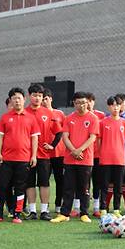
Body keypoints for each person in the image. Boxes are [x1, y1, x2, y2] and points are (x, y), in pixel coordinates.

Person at [0, 87, 39, 224]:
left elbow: (34, 138)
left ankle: (17, 214)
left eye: (19, 98)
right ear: (10, 100)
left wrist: (33, 156)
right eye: (14, 98)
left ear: (24, 99)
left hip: (23, 159)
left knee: (20, 187)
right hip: (6, 159)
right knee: (1, 186)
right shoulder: (5, 118)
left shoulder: (31, 118)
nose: (17, 101)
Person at [51, 92, 99, 223]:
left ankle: (84, 213)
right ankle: (64, 213)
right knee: (68, 187)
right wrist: (73, 151)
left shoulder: (93, 118)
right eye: (78, 103)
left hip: (86, 158)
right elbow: (65, 136)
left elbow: (92, 137)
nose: (81, 105)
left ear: (88, 103)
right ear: (74, 104)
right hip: (70, 158)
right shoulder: (69, 118)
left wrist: (79, 150)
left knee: (84, 188)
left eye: (84, 103)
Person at [24, 83, 62, 221]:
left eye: (40, 96)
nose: (37, 98)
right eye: (34, 95)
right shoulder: (24, 112)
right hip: (27, 155)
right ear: (29, 96)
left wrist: (52, 146)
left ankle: (45, 210)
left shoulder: (48, 113)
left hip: (44, 155)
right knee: (29, 183)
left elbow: (59, 132)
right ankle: (33, 211)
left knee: (44, 182)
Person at [97, 96, 125, 216]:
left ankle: (116, 209)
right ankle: (103, 209)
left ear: (121, 106)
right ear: (109, 106)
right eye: (113, 105)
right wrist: (102, 153)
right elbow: (99, 141)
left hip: (120, 159)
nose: (115, 107)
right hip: (105, 159)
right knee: (105, 185)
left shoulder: (124, 122)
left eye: (118, 105)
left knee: (118, 186)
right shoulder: (102, 122)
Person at [43, 89, 66, 214]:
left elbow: (64, 132)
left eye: (46, 98)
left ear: (51, 99)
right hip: (44, 153)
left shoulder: (59, 113)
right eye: (42, 99)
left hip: (59, 153)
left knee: (60, 180)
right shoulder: (39, 114)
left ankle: (58, 205)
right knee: (44, 181)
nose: (44, 101)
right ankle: (44, 206)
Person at [83, 92, 106, 217]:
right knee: (83, 183)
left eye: (90, 101)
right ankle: (78, 207)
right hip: (84, 155)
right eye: (86, 101)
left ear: (93, 102)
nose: (88, 104)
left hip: (97, 155)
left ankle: (96, 207)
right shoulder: (79, 116)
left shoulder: (101, 116)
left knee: (98, 182)